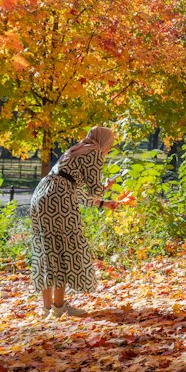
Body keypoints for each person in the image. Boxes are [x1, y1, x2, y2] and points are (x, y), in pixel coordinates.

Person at [29, 126, 116, 319]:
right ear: (104, 142)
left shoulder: (75, 150)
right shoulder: (94, 153)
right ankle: (59, 308)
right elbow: (93, 189)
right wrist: (106, 188)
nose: (109, 149)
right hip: (59, 199)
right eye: (110, 145)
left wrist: (102, 203)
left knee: (46, 250)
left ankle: (46, 309)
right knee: (63, 248)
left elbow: (72, 187)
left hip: (41, 194)